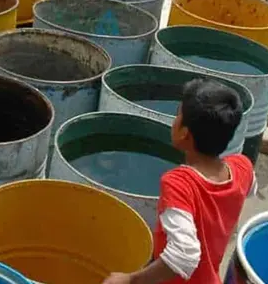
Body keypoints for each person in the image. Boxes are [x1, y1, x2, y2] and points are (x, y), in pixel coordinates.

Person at [103, 80, 256, 284]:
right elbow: (252, 187)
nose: (174, 120)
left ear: (184, 133)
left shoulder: (180, 184)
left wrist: (131, 279)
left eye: (178, 115)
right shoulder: (242, 166)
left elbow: (184, 255)